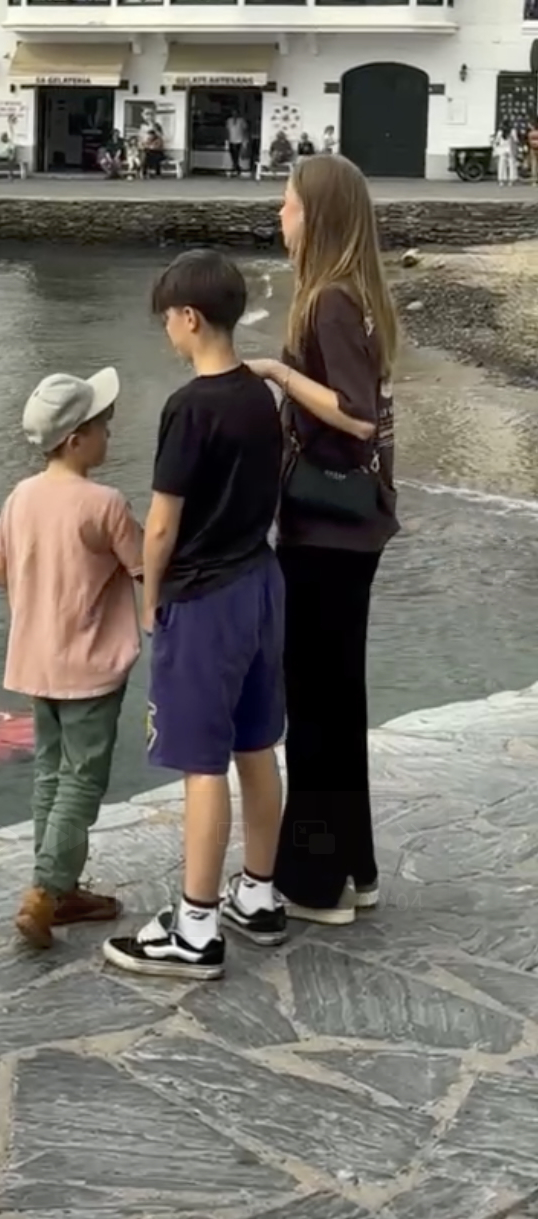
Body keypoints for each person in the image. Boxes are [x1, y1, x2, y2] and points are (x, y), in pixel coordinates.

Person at [103, 250, 286, 983]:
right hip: (262, 584)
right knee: (257, 744)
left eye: (168, 322)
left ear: (189, 317)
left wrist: (150, 602)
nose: (167, 335)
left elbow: (160, 525)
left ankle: (197, 926)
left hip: (205, 598)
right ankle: (260, 893)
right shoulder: (256, 398)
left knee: (202, 763)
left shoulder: (190, 407)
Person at [245, 155, 398, 924]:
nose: (280, 215)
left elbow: (356, 412)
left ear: (319, 216)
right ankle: (356, 867)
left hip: (327, 530)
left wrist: (274, 369)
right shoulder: (355, 294)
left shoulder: (329, 300)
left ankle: (314, 882)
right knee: (339, 699)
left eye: (288, 204)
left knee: (315, 706)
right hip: (354, 527)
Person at [0, 369, 144, 949]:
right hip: (91, 667)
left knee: (49, 775)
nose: (110, 432)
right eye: (103, 425)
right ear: (76, 438)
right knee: (82, 781)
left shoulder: (19, 495)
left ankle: (60, 887)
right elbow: (145, 565)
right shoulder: (105, 503)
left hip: (35, 663)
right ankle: (46, 893)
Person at [494, 120, 518, 187]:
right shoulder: (512, 131)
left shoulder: (500, 132)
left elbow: (496, 141)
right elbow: (516, 140)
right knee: (511, 165)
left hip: (502, 149)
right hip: (510, 149)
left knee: (501, 165)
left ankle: (501, 180)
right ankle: (511, 180)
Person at [225, 110, 249, 178]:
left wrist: (245, 140)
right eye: (233, 113)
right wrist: (227, 139)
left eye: (235, 113)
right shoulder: (229, 120)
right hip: (231, 139)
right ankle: (236, 166)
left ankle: (235, 167)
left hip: (239, 139)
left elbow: (245, 130)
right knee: (232, 154)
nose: (234, 114)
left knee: (237, 154)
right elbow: (227, 130)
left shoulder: (241, 120)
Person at [527, 118, 538, 186]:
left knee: (534, 165)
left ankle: (534, 181)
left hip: (532, 149)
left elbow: (528, 142)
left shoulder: (530, 133)